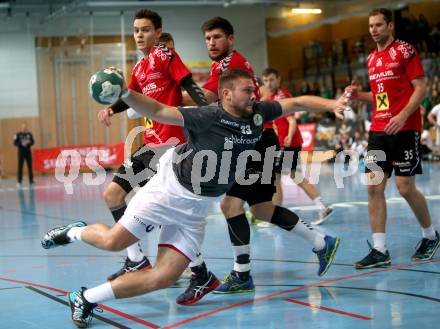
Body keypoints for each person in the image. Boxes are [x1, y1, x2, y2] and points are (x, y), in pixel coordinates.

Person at [41, 68, 344, 328]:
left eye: (254, 90)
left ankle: (84, 298)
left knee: (162, 276)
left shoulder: (258, 114)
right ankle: (74, 231)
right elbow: (158, 110)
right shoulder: (206, 116)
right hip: (167, 190)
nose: (254, 95)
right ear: (225, 94)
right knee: (112, 242)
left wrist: (333, 103)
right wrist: (126, 92)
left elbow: (298, 102)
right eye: (247, 90)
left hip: (197, 207)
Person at [176, 17, 340, 303]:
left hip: (253, 144)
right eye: (207, 39)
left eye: (217, 37)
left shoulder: (231, 66)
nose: (211, 43)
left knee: (231, 205)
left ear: (231, 39)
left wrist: (164, 91)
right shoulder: (223, 66)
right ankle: (321, 242)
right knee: (263, 210)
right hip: (257, 143)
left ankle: (242, 276)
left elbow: (207, 97)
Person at [96, 9, 208, 282]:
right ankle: (136, 259)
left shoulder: (165, 55)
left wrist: (207, 112)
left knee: (170, 214)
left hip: (172, 148)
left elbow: (188, 83)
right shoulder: (138, 68)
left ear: (158, 32)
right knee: (112, 195)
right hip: (149, 147)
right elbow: (128, 95)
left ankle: (200, 271)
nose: (139, 35)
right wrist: (112, 109)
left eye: (145, 29)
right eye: (136, 30)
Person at [346, 8, 440, 269]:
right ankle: (379, 250)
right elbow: (381, 98)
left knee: (405, 187)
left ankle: (430, 236)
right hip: (378, 130)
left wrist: (402, 116)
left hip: (405, 128)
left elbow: (420, 87)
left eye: (378, 25)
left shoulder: (405, 51)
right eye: (370, 26)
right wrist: (358, 95)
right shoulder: (372, 59)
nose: (373, 30)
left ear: (390, 26)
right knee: (373, 186)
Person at [262, 67, 333, 225]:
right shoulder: (270, 96)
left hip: (287, 143)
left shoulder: (281, 96)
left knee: (277, 177)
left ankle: (273, 216)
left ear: (278, 80)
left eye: (271, 79)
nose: (268, 83)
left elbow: (292, 120)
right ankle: (322, 206)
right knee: (291, 175)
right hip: (286, 143)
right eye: (265, 80)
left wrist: (288, 136)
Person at [13, 123, 34, 188]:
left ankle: (31, 181)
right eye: (23, 127)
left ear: (26, 127)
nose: (24, 128)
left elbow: (33, 142)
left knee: (30, 167)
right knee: (20, 167)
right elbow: (14, 143)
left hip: (28, 153)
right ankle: (19, 182)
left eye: (25, 127)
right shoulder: (18, 135)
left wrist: (28, 142)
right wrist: (21, 143)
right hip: (21, 153)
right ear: (21, 128)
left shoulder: (29, 134)